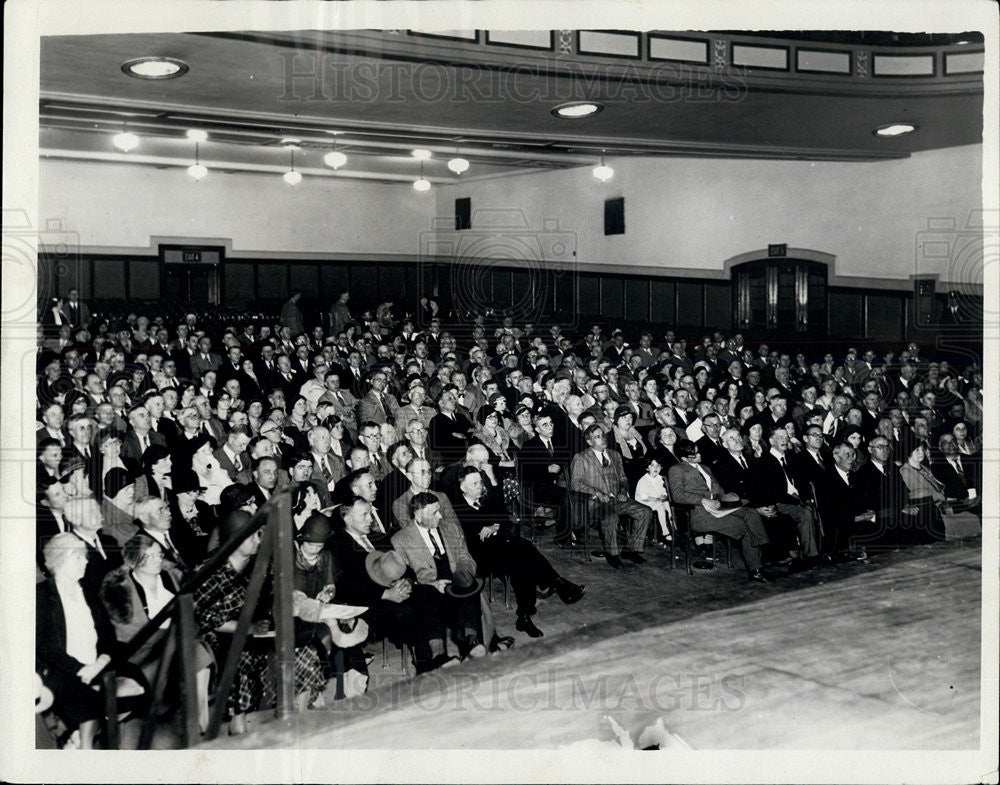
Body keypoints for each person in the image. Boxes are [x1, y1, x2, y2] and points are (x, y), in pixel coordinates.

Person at [192, 511, 326, 735]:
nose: (259, 540)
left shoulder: (261, 563)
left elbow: (276, 593)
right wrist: (246, 628)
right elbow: (201, 618)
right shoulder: (209, 570)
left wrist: (296, 600)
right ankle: (238, 726)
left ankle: (297, 718)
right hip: (222, 636)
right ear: (235, 540)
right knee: (241, 660)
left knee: (306, 651)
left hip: (258, 631)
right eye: (254, 536)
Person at [37, 533, 146, 749]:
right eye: (79, 557)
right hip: (64, 671)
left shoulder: (87, 591)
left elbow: (107, 635)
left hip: (97, 665)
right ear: (63, 559)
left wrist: (100, 662)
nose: (86, 561)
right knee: (89, 700)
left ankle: (77, 736)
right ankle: (85, 747)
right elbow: (47, 647)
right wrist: (81, 669)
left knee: (140, 684)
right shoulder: (42, 595)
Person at [451, 466, 583, 638]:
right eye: (474, 483)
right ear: (463, 487)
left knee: (521, 560)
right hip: (481, 556)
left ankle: (525, 615)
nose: (480, 486)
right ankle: (555, 583)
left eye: (480, 482)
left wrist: (495, 525)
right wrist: (491, 525)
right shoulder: (457, 508)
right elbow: (471, 535)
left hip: (504, 548)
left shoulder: (487, 499)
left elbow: (504, 517)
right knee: (523, 550)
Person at [99, 533, 213, 731]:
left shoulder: (171, 577)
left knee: (196, 648)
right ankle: (195, 715)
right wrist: (165, 634)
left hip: (178, 641)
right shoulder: (121, 588)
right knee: (192, 649)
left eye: (159, 555)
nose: (156, 560)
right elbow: (126, 632)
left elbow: (191, 612)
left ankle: (201, 712)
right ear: (135, 560)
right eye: (148, 556)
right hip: (144, 649)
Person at [391, 492, 488, 666]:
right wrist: (432, 584)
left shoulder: (451, 528)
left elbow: (465, 556)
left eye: (440, 511)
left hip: (455, 585)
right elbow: (404, 576)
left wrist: (462, 574)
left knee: (470, 586)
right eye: (434, 513)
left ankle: (471, 644)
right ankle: (438, 655)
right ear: (418, 514)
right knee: (427, 598)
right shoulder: (400, 540)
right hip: (427, 591)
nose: (440, 516)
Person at [667, 440, 770, 582]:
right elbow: (677, 495)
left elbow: (718, 490)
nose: (699, 454)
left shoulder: (705, 468)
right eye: (695, 454)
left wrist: (727, 497)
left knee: (751, 512)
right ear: (684, 458)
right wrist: (702, 500)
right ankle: (757, 570)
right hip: (700, 514)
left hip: (719, 506)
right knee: (746, 528)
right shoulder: (676, 469)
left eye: (698, 451)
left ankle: (762, 544)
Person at [570, 424, 651, 569]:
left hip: (616, 499)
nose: (602, 439)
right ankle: (612, 554)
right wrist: (598, 493)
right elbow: (576, 483)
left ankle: (631, 550)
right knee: (611, 517)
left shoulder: (615, 455)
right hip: (596, 503)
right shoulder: (581, 457)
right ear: (589, 442)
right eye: (597, 437)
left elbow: (623, 478)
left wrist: (623, 491)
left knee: (645, 512)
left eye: (603, 435)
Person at [633, 457, 674, 544]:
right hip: (644, 502)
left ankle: (673, 527)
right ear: (647, 468)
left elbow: (664, 491)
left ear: (661, 468)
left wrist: (664, 496)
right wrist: (657, 499)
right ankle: (665, 531)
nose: (655, 468)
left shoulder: (661, 478)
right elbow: (644, 496)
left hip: (657, 501)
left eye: (658, 466)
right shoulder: (643, 480)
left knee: (668, 505)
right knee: (660, 506)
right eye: (652, 465)